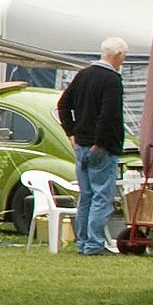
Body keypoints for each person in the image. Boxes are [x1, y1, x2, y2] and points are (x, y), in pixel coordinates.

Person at [58, 36, 129, 255]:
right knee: (102, 196)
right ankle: (94, 243)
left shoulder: (83, 75)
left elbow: (63, 104)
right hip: (102, 146)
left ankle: (83, 241)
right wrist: (100, 141)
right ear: (117, 56)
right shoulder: (112, 80)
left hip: (81, 143)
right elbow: (109, 115)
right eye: (123, 58)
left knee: (86, 195)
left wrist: (71, 132)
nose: (122, 62)